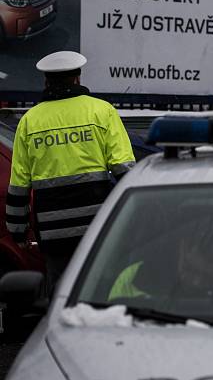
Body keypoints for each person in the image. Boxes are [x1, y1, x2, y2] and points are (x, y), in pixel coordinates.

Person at [5, 51, 135, 292]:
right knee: (100, 288)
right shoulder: (101, 111)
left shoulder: (29, 121)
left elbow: (19, 185)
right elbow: (125, 171)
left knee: (61, 293)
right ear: (77, 78)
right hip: (96, 226)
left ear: (46, 82)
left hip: (53, 232)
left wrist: (17, 231)